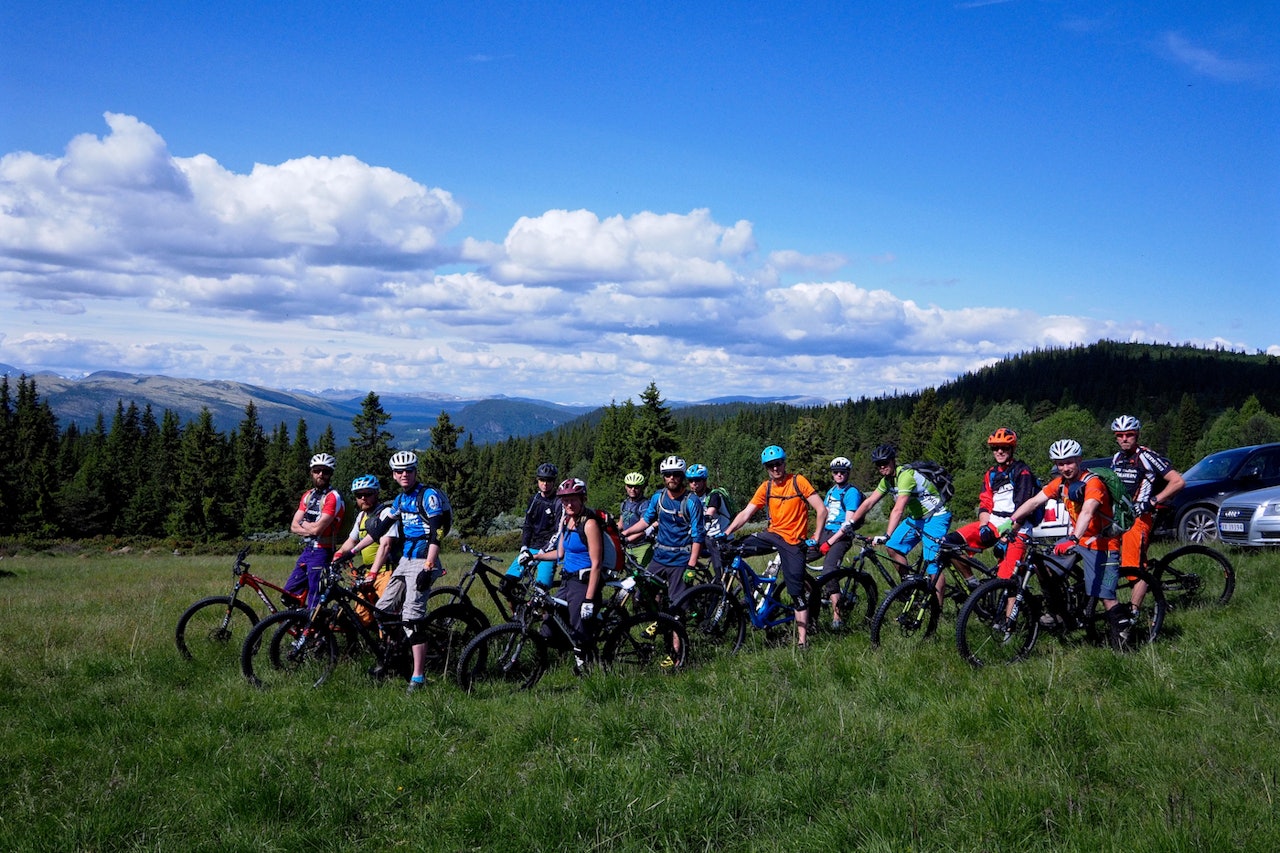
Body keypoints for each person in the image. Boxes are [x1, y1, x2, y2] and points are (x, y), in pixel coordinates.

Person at [1007, 439, 1126, 640]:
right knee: (1042, 567)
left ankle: (1123, 637)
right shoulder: (1060, 484)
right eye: (1060, 464)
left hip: (1102, 544)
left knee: (1106, 597)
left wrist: (1072, 537)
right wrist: (1011, 522)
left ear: (1079, 460)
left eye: (1069, 462)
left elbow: (1088, 511)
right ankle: (1058, 612)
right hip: (1078, 541)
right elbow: (1034, 501)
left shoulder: (1093, 483)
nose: (1065, 468)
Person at [723, 445, 827, 649]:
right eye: (770, 466)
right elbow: (746, 513)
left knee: (796, 592)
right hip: (771, 536)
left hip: (793, 542)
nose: (775, 468)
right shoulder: (767, 487)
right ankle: (752, 589)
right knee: (731, 549)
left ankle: (802, 641)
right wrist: (726, 533)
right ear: (766, 468)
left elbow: (821, 509)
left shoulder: (798, 481)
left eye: (778, 464)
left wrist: (816, 536)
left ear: (784, 463)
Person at [370, 450, 453, 693]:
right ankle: (397, 656)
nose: (404, 474)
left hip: (423, 559)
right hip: (405, 560)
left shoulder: (428, 496)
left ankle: (418, 678)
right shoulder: (399, 500)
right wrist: (348, 551)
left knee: (412, 619)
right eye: (399, 471)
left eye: (408, 470)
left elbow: (436, 532)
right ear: (394, 475)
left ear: (415, 471)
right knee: (382, 612)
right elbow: (379, 531)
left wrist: (429, 566)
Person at [841, 443, 953, 606]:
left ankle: (937, 610)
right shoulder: (887, 481)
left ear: (893, 461)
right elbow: (869, 502)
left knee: (932, 565)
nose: (882, 467)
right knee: (893, 547)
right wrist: (850, 522)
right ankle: (909, 586)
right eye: (878, 464)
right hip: (918, 518)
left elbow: (898, 510)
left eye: (885, 462)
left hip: (937, 516)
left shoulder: (905, 476)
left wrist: (886, 535)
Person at [529, 478, 616, 673]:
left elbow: (596, 564)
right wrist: (535, 556)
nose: (568, 504)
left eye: (573, 499)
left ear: (582, 499)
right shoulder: (567, 521)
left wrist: (589, 599)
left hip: (583, 583)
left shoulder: (589, 524)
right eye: (564, 500)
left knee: (580, 630)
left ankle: (588, 669)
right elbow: (560, 554)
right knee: (550, 626)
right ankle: (576, 654)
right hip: (567, 581)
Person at [1109, 415, 1186, 610]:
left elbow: (1178, 481)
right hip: (1119, 518)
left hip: (1139, 518)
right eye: (1120, 435)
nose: (1124, 438)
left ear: (1137, 435)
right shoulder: (1117, 458)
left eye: (1129, 434)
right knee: (1110, 563)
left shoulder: (1146, 456)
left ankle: (1132, 614)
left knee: (1135, 569)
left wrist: (1152, 501)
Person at [942, 428, 1039, 580]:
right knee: (947, 544)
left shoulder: (1022, 471)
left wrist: (1007, 537)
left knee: (1006, 582)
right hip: (994, 523)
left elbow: (1023, 509)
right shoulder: (991, 474)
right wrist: (983, 525)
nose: (999, 451)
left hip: (1017, 528)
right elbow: (985, 502)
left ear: (1012, 448)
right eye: (995, 448)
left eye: (1004, 447)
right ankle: (973, 584)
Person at [621, 455, 705, 609]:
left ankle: (677, 629)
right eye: (667, 474)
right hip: (659, 558)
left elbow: (698, 536)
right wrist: (624, 534)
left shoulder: (692, 501)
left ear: (682, 476)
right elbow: (645, 521)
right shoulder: (658, 498)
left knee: (677, 607)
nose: (671, 478)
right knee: (642, 596)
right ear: (663, 477)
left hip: (680, 560)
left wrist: (691, 566)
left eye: (676, 474)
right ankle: (661, 622)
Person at [332, 474, 398, 624]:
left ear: (376, 493)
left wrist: (374, 572)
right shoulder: (361, 516)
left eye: (367, 494)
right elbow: (351, 540)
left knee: (389, 616)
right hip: (367, 573)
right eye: (359, 495)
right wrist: (339, 554)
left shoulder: (386, 513)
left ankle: (394, 645)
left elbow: (386, 545)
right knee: (362, 617)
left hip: (385, 572)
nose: (363, 498)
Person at [283, 453, 346, 608]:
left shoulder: (333, 497)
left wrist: (304, 524)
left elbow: (317, 529)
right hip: (308, 550)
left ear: (331, 474)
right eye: (317, 470)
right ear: (311, 472)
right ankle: (301, 624)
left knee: (315, 598)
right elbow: (293, 526)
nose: (321, 474)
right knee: (289, 594)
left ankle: (314, 631)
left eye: (325, 471)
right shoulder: (308, 496)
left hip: (323, 552)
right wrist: (310, 527)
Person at [811, 456, 864, 629]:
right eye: (836, 472)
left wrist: (830, 542)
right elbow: (824, 514)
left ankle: (837, 616)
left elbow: (848, 524)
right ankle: (814, 597)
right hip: (826, 532)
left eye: (842, 472)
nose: (839, 475)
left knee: (829, 571)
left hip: (841, 537)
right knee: (798, 557)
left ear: (848, 473)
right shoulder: (831, 491)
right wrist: (816, 536)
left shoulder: (851, 493)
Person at [503, 462, 563, 590]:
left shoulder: (558, 502)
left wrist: (543, 551)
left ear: (554, 481)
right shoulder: (534, 499)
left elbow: (558, 532)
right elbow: (527, 525)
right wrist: (524, 547)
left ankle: (540, 610)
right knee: (506, 585)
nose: (545, 484)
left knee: (541, 591)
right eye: (542, 480)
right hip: (531, 548)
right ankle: (517, 611)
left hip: (548, 551)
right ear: (537, 480)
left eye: (549, 480)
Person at [685, 463, 730, 577]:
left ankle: (721, 588)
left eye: (697, 480)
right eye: (691, 480)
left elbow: (709, 513)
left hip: (720, 536)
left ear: (704, 481)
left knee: (720, 569)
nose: (694, 483)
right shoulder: (691, 498)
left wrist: (705, 518)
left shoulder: (714, 495)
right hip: (705, 535)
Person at [620, 471, 654, 566]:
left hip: (642, 546)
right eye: (630, 486)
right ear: (626, 487)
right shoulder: (624, 504)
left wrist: (627, 539)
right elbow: (621, 523)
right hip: (628, 547)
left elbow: (644, 527)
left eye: (636, 487)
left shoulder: (645, 504)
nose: (633, 489)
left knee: (642, 576)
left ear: (641, 488)